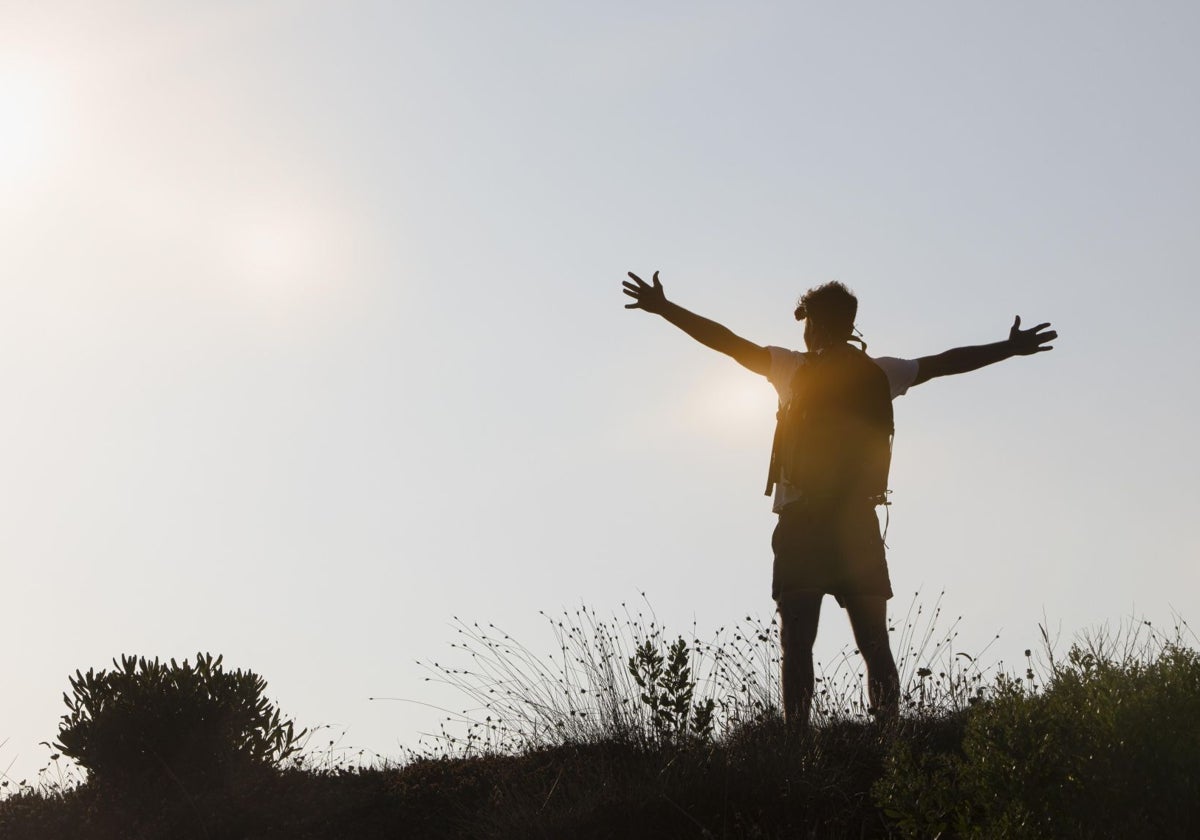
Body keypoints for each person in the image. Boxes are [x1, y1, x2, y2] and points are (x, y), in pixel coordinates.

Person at [622, 270, 1056, 726]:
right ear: (850, 326)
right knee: (874, 645)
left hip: (801, 524)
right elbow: (945, 362)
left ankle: (797, 745)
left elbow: (727, 342)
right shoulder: (880, 373)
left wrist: (665, 308)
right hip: (857, 523)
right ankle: (888, 742)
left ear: (814, 324)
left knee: (797, 644)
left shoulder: (791, 367)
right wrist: (1009, 348)